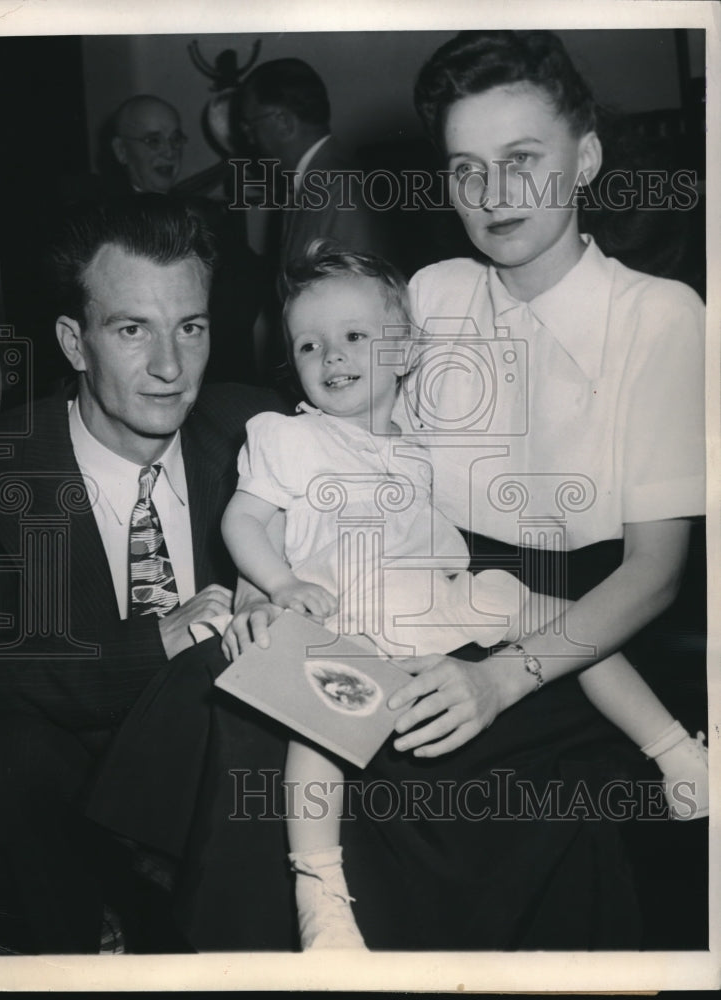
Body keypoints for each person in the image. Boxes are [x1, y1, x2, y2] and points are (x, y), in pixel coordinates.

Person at [220, 241, 707, 950]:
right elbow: (244, 520)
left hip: (437, 596)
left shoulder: (418, 443)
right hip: (346, 607)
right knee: (316, 726)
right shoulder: (287, 439)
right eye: (309, 345)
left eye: (356, 337)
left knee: (560, 617)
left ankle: (675, 752)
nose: (332, 357)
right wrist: (279, 585)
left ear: (406, 352)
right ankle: (319, 891)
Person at [0, 195, 287, 954]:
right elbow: (1, 670)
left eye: (191, 327)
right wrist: (160, 641)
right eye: (131, 329)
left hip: (225, 769)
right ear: (74, 343)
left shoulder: (258, 433)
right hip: (70, 782)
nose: (170, 367)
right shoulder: (7, 471)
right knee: (15, 752)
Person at [237, 58, 390, 271]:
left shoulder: (341, 187)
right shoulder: (310, 181)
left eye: (250, 128)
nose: (250, 140)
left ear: (283, 122)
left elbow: (353, 294)